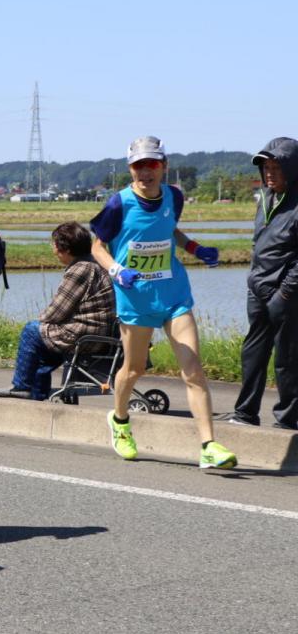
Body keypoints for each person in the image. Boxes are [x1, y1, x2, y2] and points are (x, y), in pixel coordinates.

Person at [90, 135, 236, 469]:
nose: (146, 172)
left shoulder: (174, 196)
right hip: (136, 298)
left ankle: (208, 445)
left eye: (152, 164)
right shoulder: (118, 204)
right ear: (130, 169)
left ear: (164, 166)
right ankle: (120, 421)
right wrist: (116, 270)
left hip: (173, 295)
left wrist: (195, 248)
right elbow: (97, 246)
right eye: (139, 165)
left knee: (193, 368)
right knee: (135, 368)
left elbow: (170, 230)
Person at [220, 137, 298, 429]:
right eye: (266, 168)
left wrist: (285, 293)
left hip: (286, 293)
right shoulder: (265, 197)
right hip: (258, 289)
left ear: (292, 170)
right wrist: (253, 279)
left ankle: (287, 420)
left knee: (287, 358)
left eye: (277, 168)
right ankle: (245, 414)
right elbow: (260, 243)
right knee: (252, 353)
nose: (270, 174)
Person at [0, 222, 115, 400]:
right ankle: (37, 395)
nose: (53, 249)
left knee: (31, 330)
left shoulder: (80, 269)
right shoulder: (93, 263)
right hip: (98, 333)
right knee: (42, 347)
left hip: (86, 335)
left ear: (65, 249)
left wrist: (40, 322)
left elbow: (56, 312)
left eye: (54, 244)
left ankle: (21, 386)